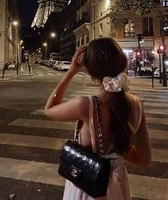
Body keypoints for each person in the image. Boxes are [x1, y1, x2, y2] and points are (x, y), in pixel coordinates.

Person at [44, 37, 151, 200]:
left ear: (89, 69)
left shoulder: (85, 105)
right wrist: (116, 154)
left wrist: (70, 72)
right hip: (119, 188)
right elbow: (143, 160)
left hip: (87, 188)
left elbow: (49, 109)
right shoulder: (137, 105)